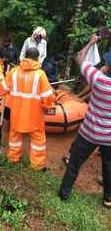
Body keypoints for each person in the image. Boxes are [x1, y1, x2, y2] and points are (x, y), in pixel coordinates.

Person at [58, 35, 111, 208]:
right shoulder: (100, 78)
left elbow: (79, 57)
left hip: (90, 132)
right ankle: (108, 199)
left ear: (108, 66)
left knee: (74, 163)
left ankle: (64, 193)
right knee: (108, 167)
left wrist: (91, 41)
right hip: (109, 136)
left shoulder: (99, 80)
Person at [6, 47, 55, 171]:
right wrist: (49, 106)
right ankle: (37, 165)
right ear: (37, 58)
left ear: (25, 56)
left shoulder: (14, 71)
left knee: (15, 135)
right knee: (38, 138)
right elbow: (47, 97)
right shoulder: (40, 75)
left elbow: (5, 88)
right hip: (34, 115)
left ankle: (13, 159)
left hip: (17, 112)